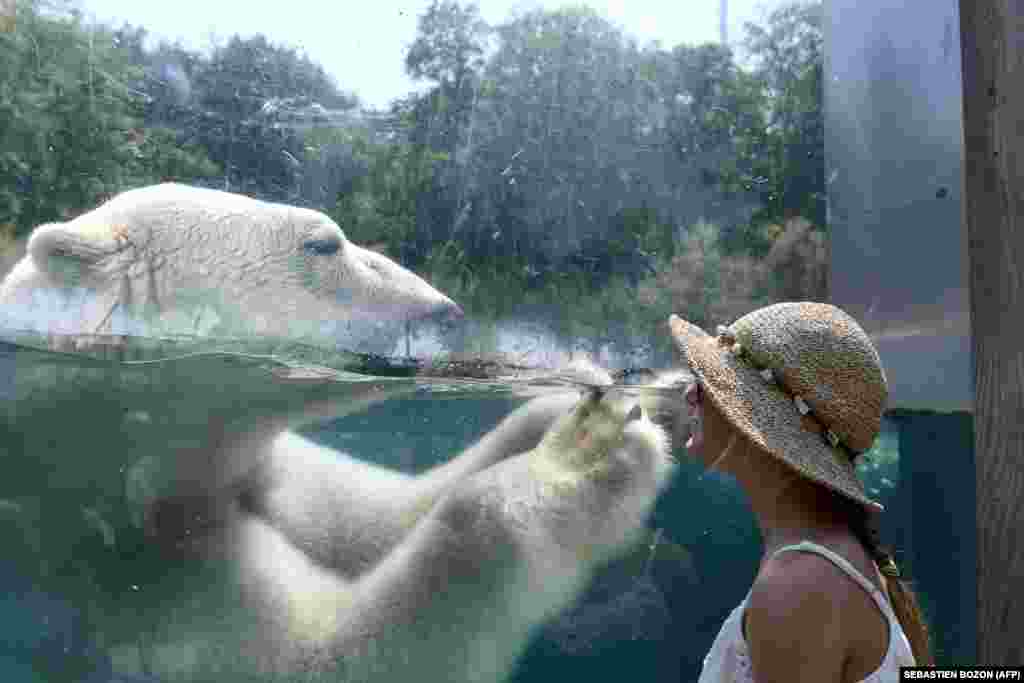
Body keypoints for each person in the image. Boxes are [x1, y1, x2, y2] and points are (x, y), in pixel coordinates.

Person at [668, 302, 933, 682]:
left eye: (710, 383)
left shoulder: (799, 583)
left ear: (757, 419)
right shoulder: (823, 561)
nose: (691, 395)